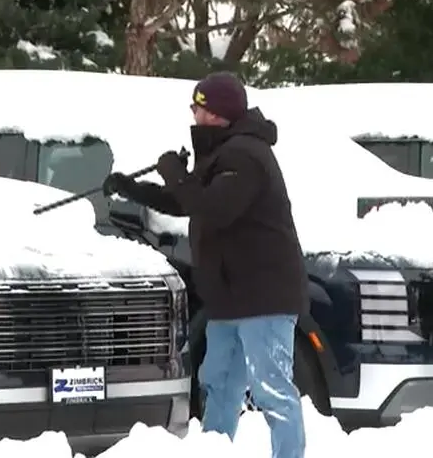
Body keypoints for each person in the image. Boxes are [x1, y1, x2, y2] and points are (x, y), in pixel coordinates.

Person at [102, 71, 308, 458]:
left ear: (218, 113)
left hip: (263, 295)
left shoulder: (246, 155)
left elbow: (215, 208)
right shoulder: (221, 152)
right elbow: (186, 202)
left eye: (200, 107)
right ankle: (216, 449)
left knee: (273, 390)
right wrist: (132, 188)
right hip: (229, 295)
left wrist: (176, 174)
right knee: (220, 384)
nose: (194, 114)